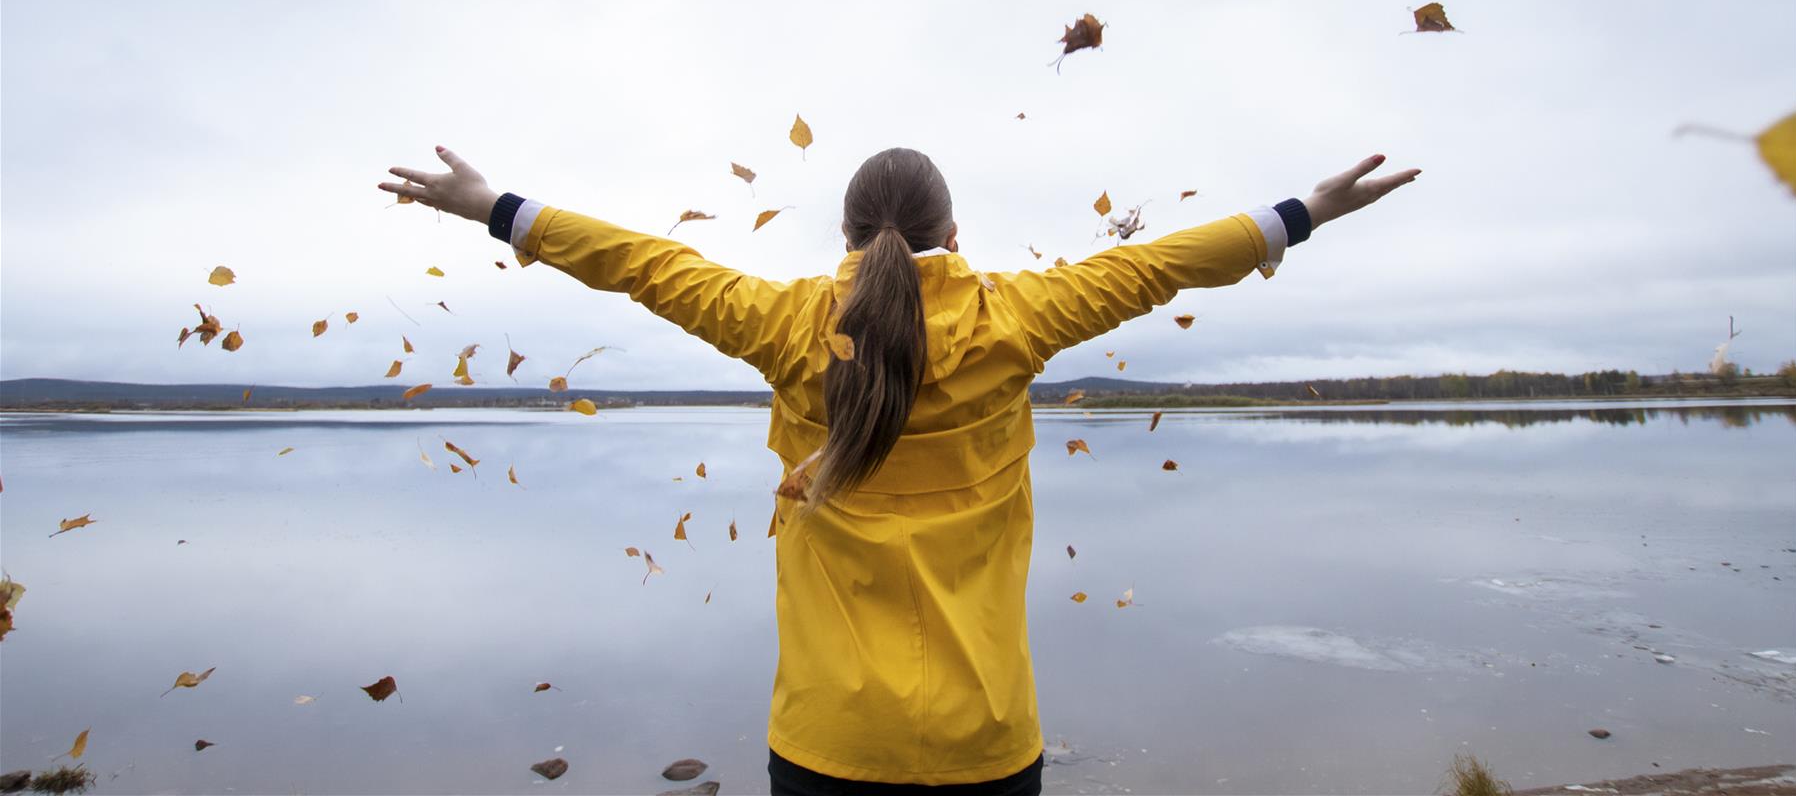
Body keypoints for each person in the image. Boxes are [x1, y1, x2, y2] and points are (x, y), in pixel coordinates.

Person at [380, 145, 1419, 796]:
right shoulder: (1017, 317)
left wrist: (497, 207)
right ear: (953, 236)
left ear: (844, 237)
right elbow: (1157, 269)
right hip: (987, 743)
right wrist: (1303, 214)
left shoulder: (787, 324)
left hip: (829, 747)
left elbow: (652, 267)